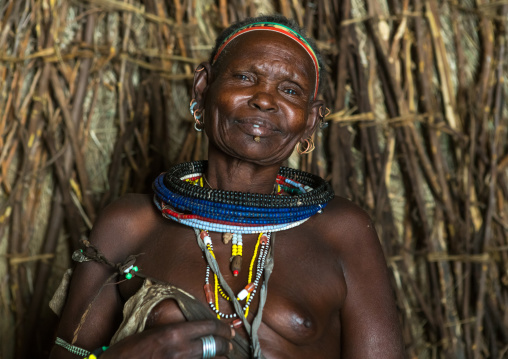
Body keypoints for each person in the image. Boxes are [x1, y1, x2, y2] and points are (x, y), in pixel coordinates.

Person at [50, 15, 404, 359]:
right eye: (245, 77)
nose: (265, 99)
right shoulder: (129, 224)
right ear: (203, 88)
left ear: (310, 120)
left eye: (290, 90)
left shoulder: (342, 230)